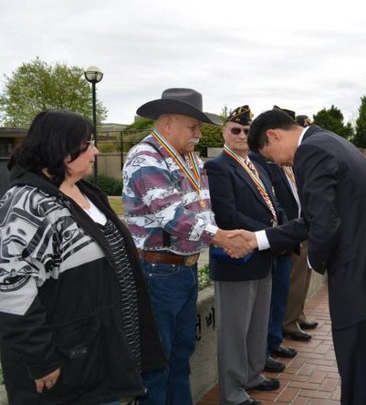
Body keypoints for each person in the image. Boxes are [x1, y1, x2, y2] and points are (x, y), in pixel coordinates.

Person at [245, 108, 366, 405]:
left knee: (358, 370)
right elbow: (320, 217)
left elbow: (323, 223)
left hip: (359, 279)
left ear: (273, 135)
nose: (279, 162)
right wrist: (259, 239)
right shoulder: (331, 141)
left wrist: (313, 261)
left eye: (271, 155)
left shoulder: (310, 151)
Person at [0, 110, 165, 404]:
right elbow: (10, 288)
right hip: (69, 367)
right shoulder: (28, 203)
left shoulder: (85, 192)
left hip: (103, 355)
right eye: (88, 143)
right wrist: (41, 359)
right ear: (63, 149)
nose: (96, 151)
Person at [122, 88, 252, 404]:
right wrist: (224, 239)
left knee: (181, 356)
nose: (198, 133)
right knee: (158, 362)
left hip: (185, 270)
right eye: (192, 126)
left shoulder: (191, 159)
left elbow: (203, 212)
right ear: (167, 123)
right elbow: (172, 217)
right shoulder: (145, 158)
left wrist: (223, 237)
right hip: (158, 273)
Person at [204, 105, 284, 405]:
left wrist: (281, 229)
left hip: (263, 255)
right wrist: (269, 233)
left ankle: (252, 374)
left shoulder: (258, 166)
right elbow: (226, 214)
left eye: (247, 131)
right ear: (224, 132)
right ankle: (232, 390)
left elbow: (273, 204)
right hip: (237, 259)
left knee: (257, 324)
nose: (241, 135)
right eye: (235, 130)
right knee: (235, 330)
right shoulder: (218, 167)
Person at [282, 114, 318, 342]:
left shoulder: (296, 161)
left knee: (304, 277)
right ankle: (289, 322)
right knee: (294, 280)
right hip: (291, 230)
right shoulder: (276, 162)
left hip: (305, 228)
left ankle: (299, 314)